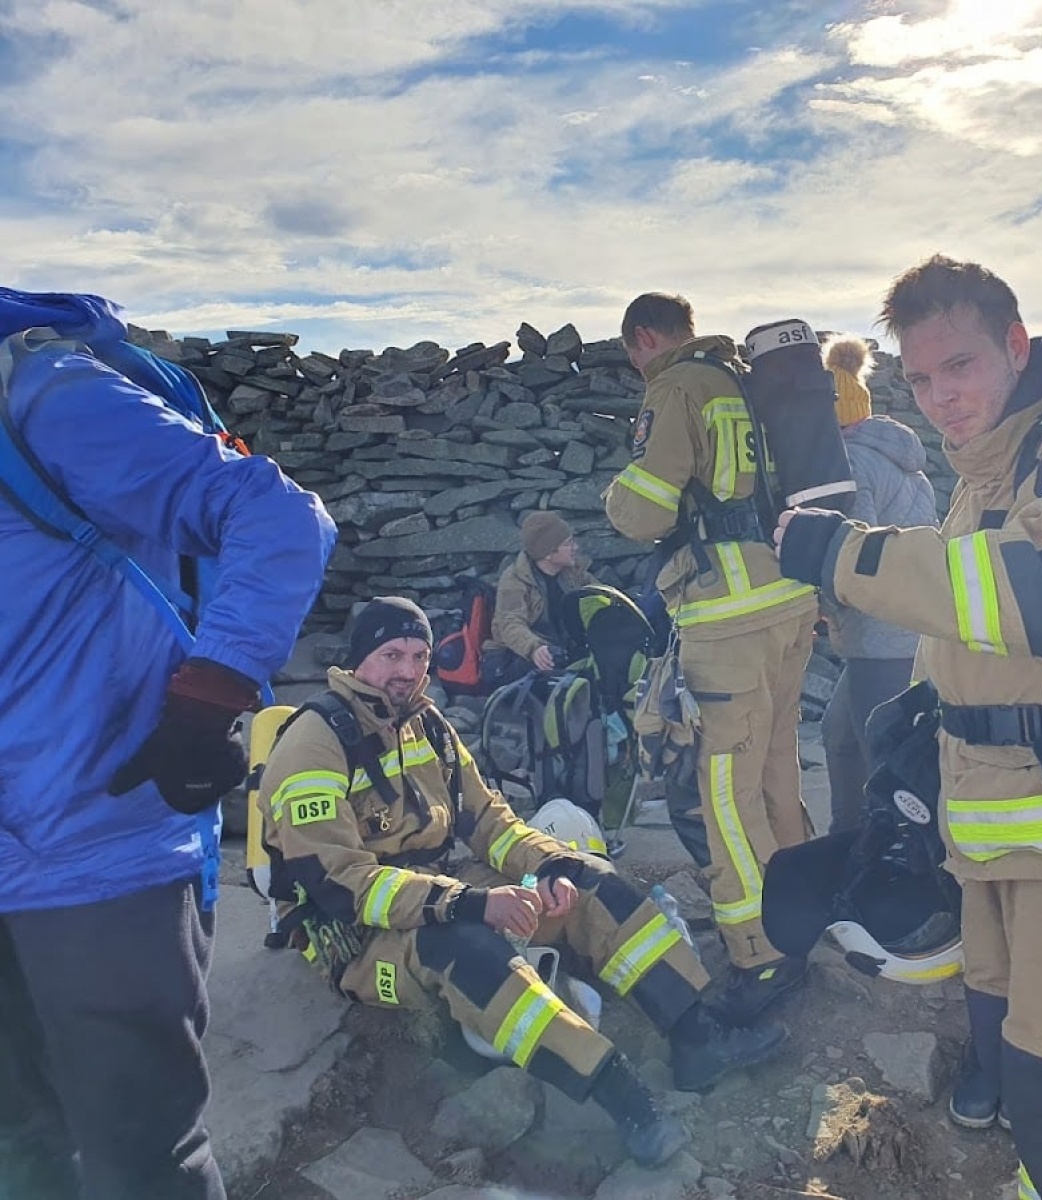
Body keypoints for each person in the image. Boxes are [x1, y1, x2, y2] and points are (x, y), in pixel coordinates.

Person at [775, 256, 1042, 1200]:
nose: (940, 397)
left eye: (959, 365)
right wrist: (918, 725)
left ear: (1016, 346)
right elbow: (969, 623)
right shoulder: (986, 469)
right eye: (920, 378)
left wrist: (846, 556)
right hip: (1000, 835)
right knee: (1030, 1086)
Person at [0, 288, 336, 1199]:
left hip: (97, 854)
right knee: (20, 1152)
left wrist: (208, 697)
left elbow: (277, 516)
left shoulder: (44, 399)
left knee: (143, 1163)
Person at [256, 598, 786, 1168]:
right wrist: (470, 903)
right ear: (360, 658)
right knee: (465, 948)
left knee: (592, 879)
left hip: (438, 885)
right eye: (391, 655)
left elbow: (489, 821)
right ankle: (624, 1099)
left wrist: (549, 867)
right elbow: (343, 886)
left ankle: (696, 1035)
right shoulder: (313, 743)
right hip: (354, 936)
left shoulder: (426, 724)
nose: (407, 670)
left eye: (419, 656)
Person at [605, 293, 819, 1021]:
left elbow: (645, 510)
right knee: (777, 769)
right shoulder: (745, 381)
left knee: (724, 791)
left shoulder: (675, 387)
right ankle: (802, 914)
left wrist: (615, 496)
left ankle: (761, 952)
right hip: (790, 599)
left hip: (729, 617)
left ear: (643, 338)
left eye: (631, 353)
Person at [819, 334, 938, 834]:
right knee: (840, 736)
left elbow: (853, 551)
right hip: (906, 623)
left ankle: (884, 850)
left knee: (877, 752)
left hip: (878, 632)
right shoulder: (904, 461)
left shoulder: (850, 462)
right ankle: (851, 839)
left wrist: (825, 607)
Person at [486, 511, 595, 677]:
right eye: (568, 543)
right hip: (516, 655)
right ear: (548, 553)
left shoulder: (574, 573)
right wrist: (534, 648)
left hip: (562, 649)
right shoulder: (515, 580)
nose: (576, 547)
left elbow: (601, 595)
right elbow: (510, 623)